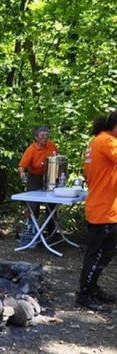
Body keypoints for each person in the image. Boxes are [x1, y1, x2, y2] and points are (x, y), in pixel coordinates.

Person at [76, 112, 117, 312]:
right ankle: (84, 293)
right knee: (99, 254)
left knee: (103, 253)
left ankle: (91, 287)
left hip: (103, 207)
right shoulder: (108, 142)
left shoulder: (96, 142)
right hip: (104, 210)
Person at [18, 127, 59, 225]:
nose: (45, 138)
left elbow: (58, 159)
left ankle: (51, 231)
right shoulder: (31, 150)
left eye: (47, 135)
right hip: (35, 178)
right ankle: (32, 230)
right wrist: (22, 173)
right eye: (42, 136)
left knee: (52, 204)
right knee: (33, 205)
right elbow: (21, 166)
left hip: (50, 178)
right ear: (36, 137)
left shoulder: (52, 146)